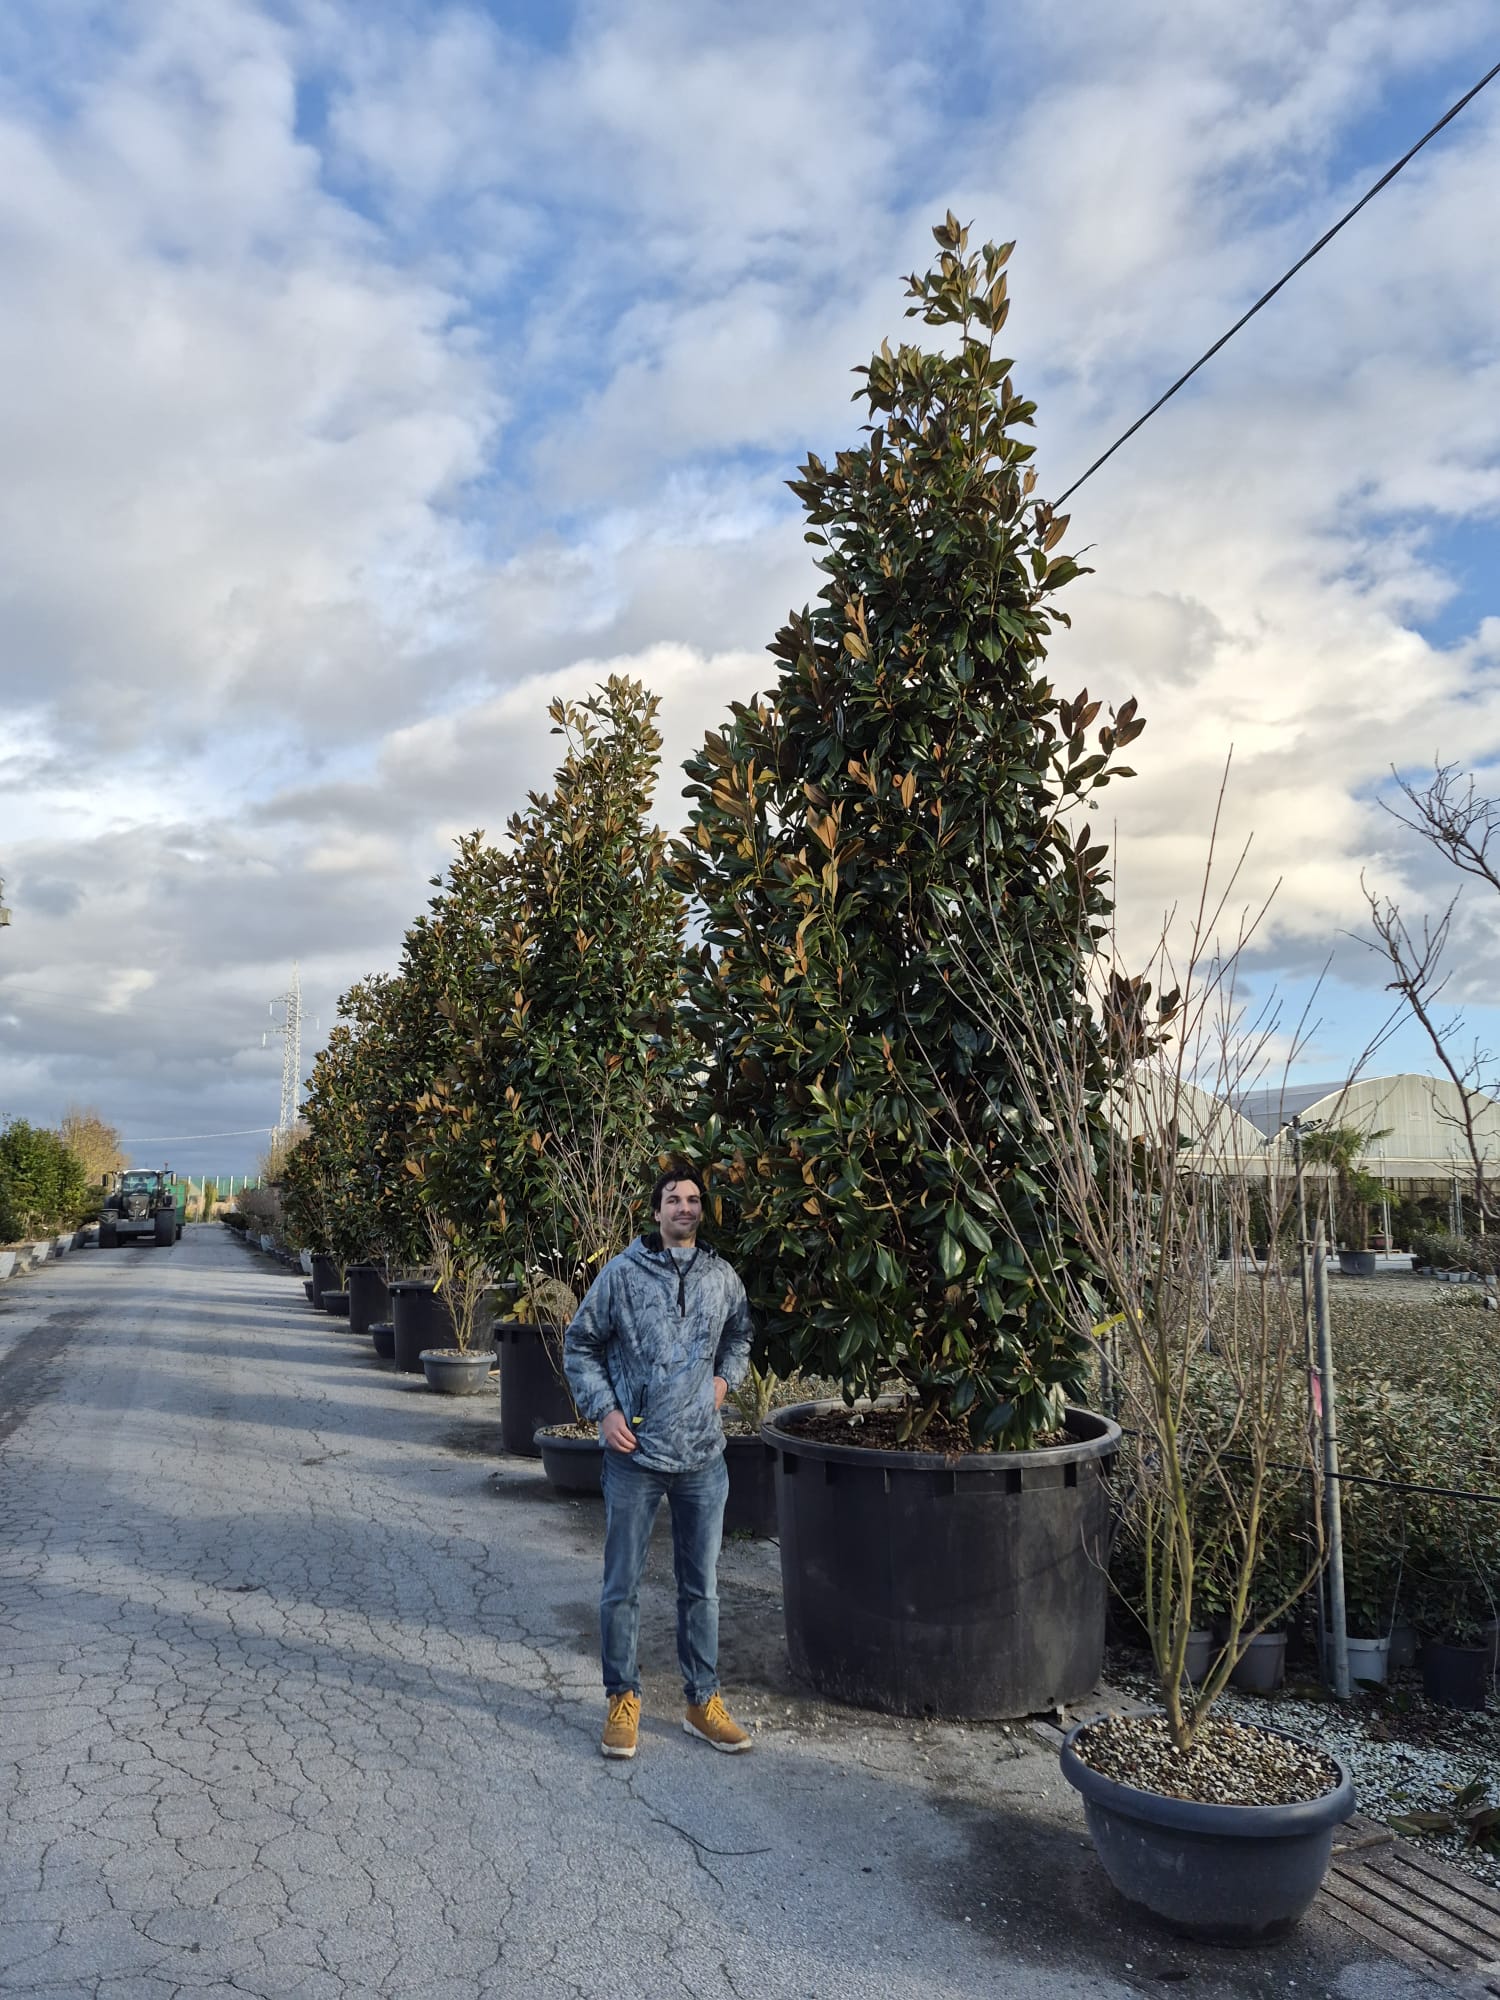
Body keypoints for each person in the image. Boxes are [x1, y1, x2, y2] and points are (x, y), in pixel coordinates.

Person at [564, 1165, 754, 1760]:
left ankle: (702, 1700)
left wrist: (724, 1383)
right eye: (674, 1199)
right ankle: (623, 1697)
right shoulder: (621, 1276)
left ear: (703, 1210)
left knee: (701, 1587)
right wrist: (605, 1411)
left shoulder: (723, 1278)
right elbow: (581, 1343)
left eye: (694, 1199)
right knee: (621, 1586)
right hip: (635, 1456)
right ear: (656, 1211)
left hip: (703, 1458)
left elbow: (741, 1335)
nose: (685, 1207)